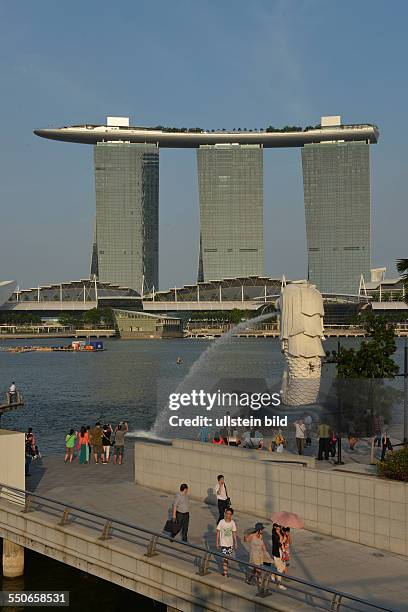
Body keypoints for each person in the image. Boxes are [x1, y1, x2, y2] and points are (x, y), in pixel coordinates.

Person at [216, 507, 237, 577]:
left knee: (227, 559)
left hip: (230, 544)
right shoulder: (221, 522)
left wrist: (235, 542)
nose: (228, 515)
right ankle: (225, 573)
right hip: (223, 543)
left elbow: (234, 533)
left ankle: (225, 569)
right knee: (225, 559)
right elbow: (218, 532)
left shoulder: (232, 523)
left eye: (230, 514)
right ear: (225, 514)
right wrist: (217, 542)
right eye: (227, 514)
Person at [271, 524, 287, 590]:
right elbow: (278, 544)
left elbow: (284, 542)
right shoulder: (274, 535)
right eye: (278, 526)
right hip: (277, 553)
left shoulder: (281, 532)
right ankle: (279, 584)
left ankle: (273, 574)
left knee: (283, 567)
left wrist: (285, 537)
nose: (279, 527)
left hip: (282, 553)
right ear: (274, 527)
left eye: (280, 526)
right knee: (279, 569)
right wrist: (282, 541)